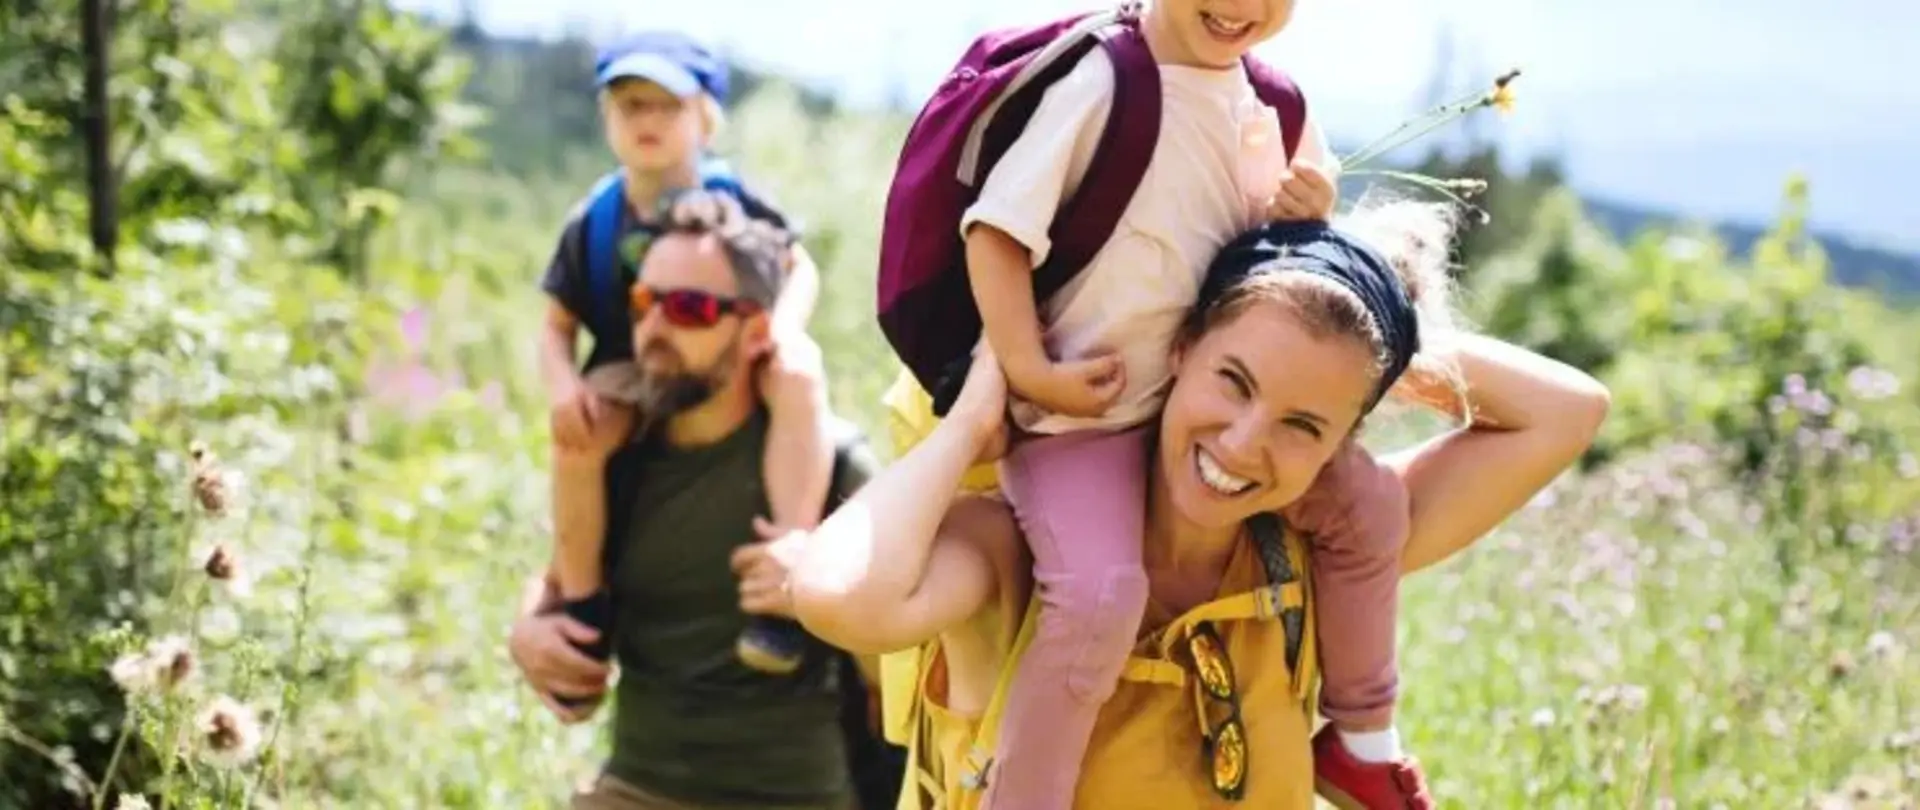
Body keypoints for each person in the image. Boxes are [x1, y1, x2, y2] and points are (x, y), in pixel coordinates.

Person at [794, 198, 1612, 808]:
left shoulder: (1317, 562)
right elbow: (839, 597)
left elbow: (1569, 411)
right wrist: (970, 423)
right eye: (1235, 381)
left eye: (1303, 424)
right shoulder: (1020, 554)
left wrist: (1367, 327)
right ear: (1178, 348)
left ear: (1341, 443)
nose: (1245, 444)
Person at [884, 1, 1434, 806]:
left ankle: (1361, 741)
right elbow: (996, 231)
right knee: (1098, 601)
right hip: (1083, 422)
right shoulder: (1104, 85)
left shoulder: (1276, 106)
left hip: (1207, 409)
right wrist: (1029, 368)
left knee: (1370, 507)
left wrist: (1311, 214)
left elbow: (1285, 272)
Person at [512, 191, 895, 810]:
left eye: (690, 309)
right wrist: (528, 632)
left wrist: (826, 590)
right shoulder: (615, 457)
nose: (655, 329)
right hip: (637, 790)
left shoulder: (832, 467)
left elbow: (905, 676)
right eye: (644, 302)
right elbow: (554, 582)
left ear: (757, 331)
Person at [535, 31, 835, 684]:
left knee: (799, 373)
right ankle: (583, 608)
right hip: (630, 364)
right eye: (629, 105)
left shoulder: (737, 200)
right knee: (577, 440)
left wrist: (785, 328)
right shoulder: (595, 220)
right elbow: (555, 326)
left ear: (705, 118)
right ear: (606, 117)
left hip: (731, 350)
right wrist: (562, 387)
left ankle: (785, 569)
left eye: (667, 105)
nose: (647, 120)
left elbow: (799, 267)